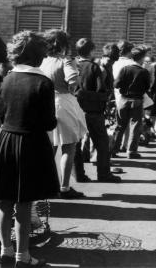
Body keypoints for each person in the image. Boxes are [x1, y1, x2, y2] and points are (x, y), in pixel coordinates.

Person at [0, 30, 59, 267]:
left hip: (6, 140)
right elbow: (48, 122)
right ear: (40, 55)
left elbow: (2, 112)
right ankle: (23, 257)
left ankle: (5, 253)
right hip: (31, 144)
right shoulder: (43, 82)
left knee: (4, 201)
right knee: (24, 204)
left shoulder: (8, 78)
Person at [40, 29, 87, 198]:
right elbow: (73, 80)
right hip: (63, 102)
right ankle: (65, 187)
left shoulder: (43, 61)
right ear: (63, 44)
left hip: (46, 103)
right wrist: (75, 82)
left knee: (49, 147)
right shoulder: (65, 60)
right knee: (69, 147)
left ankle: (45, 186)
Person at [75, 38, 121, 182]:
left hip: (74, 110)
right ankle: (103, 174)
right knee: (101, 143)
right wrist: (106, 96)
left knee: (75, 144)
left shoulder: (71, 64)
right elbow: (101, 92)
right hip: (93, 111)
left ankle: (79, 174)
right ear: (92, 50)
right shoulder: (94, 67)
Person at [111, 45, 150, 159]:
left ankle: (113, 149)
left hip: (123, 99)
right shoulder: (143, 71)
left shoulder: (125, 69)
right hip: (137, 100)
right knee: (135, 126)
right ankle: (131, 151)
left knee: (120, 125)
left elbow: (116, 84)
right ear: (142, 58)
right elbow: (147, 87)